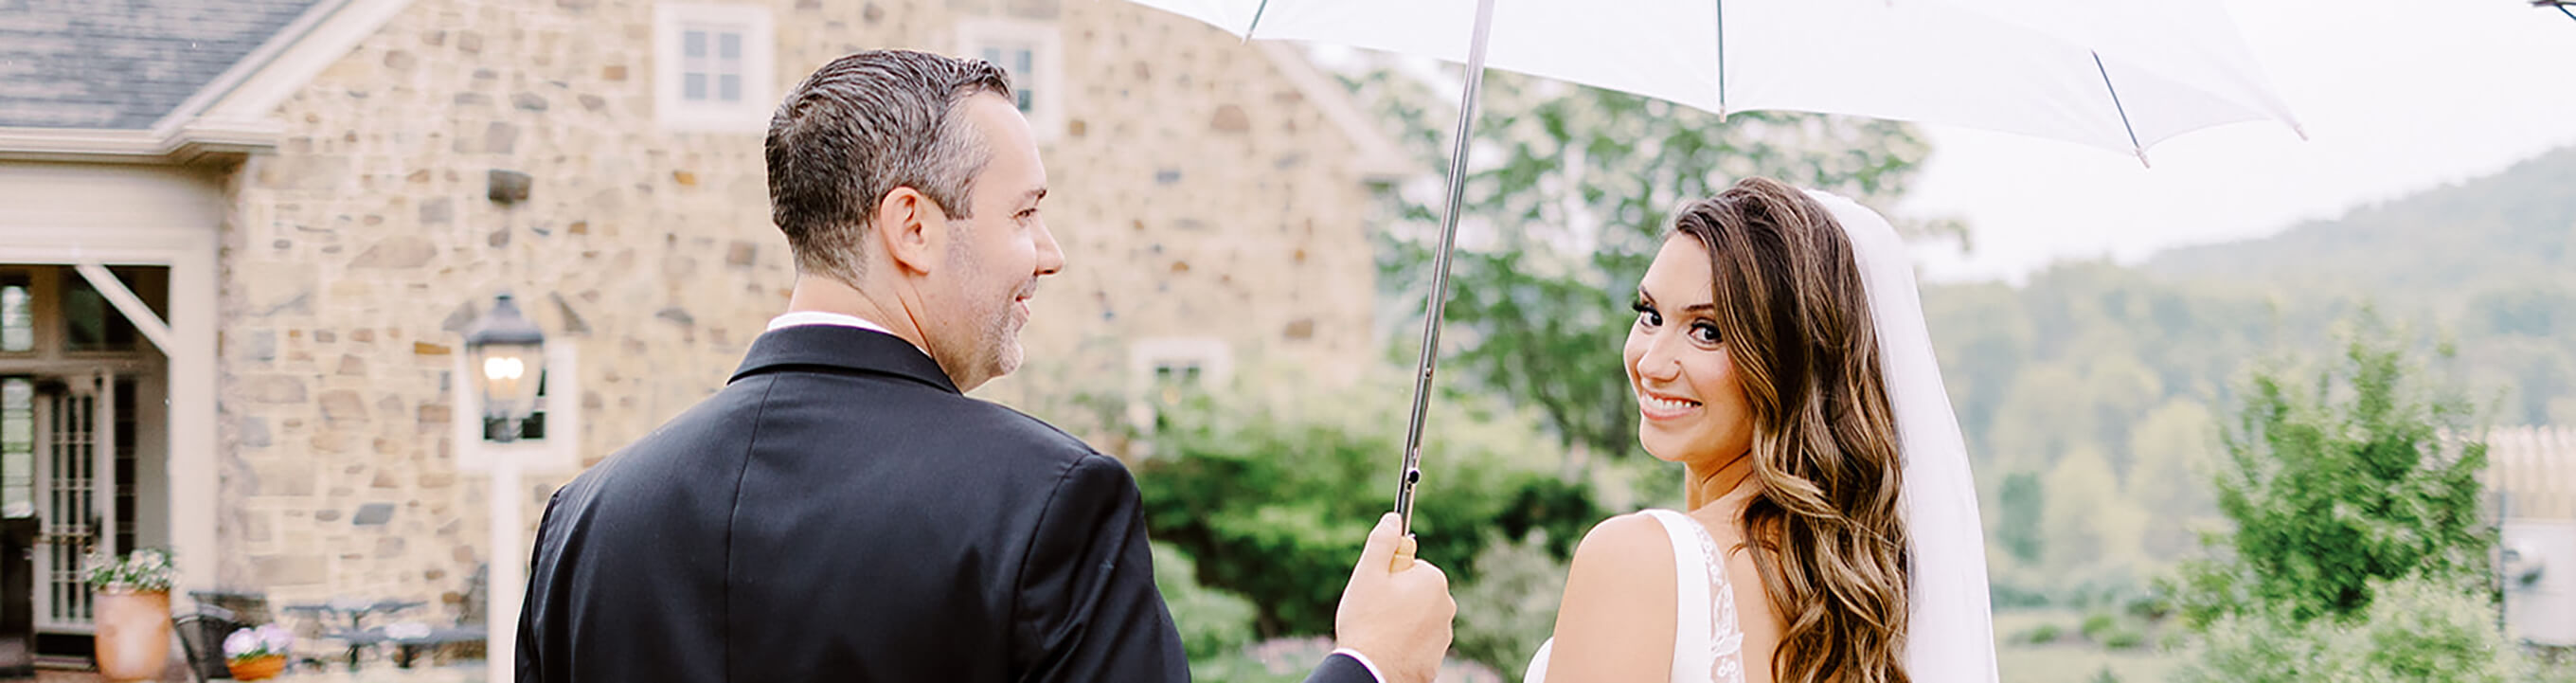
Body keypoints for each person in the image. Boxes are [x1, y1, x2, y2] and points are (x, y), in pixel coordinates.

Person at [515, 49, 1455, 683]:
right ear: (911, 227)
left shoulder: (586, 523)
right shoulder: (1048, 505)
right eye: (1023, 213)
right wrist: (1365, 664)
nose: (1049, 253)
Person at [1522, 178, 1999, 683]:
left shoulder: (1636, 560)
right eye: (1650, 315)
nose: (1652, 362)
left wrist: (1423, 667)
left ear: (1792, 364)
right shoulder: (1865, 594)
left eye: (1708, 331)